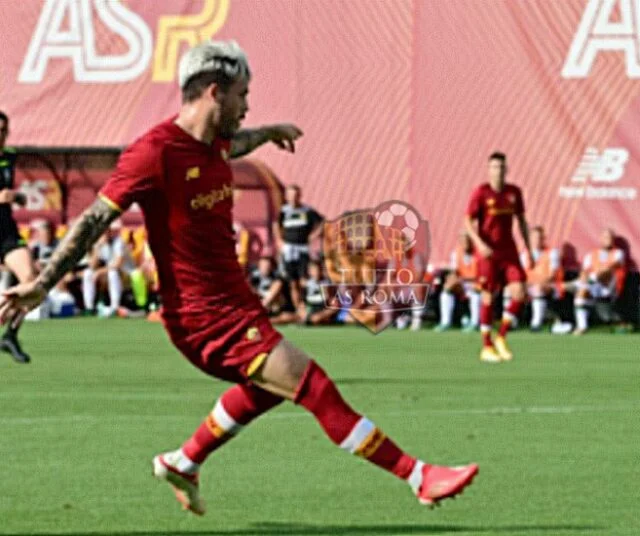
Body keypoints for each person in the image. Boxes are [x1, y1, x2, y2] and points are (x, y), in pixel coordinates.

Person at [0, 40, 477, 513]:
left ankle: (183, 461)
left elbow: (238, 142)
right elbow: (92, 221)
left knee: (266, 390)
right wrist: (42, 282)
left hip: (236, 302)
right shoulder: (153, 153)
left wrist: (268, 132)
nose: (247, 106)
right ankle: (418, 475)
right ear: (214, 92)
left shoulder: (217, 142)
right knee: (311, 384)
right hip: (203, 317)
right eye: (243, 95)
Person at [465, 152, 532, 362]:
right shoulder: (481, 193)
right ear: (489, 169)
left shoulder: (514, 193)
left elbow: (521, 221)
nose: (498, 170)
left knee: (519, 292)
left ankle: (501, 337)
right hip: (488, 254)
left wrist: (529, 249)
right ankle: (486, 346)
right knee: (488, 296)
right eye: (494, 167)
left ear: (506, 169)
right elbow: (468, 221)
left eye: (501, 167)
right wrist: (479, 243)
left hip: (509, 251)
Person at [0, 111, 36, 363]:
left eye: (3, 130)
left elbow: (8, 195)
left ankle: (10, 334)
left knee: (31, 281)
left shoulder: (10, 156)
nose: (0, 135)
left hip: (6, 233)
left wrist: (17, 197)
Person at [274, 185, 323, 317]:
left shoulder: (307, 211)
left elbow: (322, 223)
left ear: (299, 196)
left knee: (304, 280)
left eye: (295, 195)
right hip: (288, 250)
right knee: (293, 282)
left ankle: (309, 306)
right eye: (290, 195)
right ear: (287, 196)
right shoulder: (283, 211)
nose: (293, 198)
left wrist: (313, 236)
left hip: (302, 250)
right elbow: (276, 225)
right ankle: (298, 310)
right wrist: (279, 240)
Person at [573, 228, 625, 336]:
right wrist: (585, 279)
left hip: (609, 287)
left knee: (605, 271)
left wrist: (595, 275)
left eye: (611, 238)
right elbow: (584, 272)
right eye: (606, 237)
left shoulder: (618, 253)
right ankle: (582, 327)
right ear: (601, 239)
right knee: (581, 292)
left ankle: (576, 284)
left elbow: (613, 266)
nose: (608, 240)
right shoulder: (591, 254)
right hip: (594, 286)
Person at [82, 220, 137, 317]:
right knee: (88, 273)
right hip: (110, 275)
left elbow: (117, 264)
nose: (104, 234)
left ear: (110, 232)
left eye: (106, 232)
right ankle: (89, 308)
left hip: (127, 274)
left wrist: (99, 272)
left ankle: (115, 307)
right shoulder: (100, 244)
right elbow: (92, 266)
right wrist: (98, 247)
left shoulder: (119, 242)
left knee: (113, 272)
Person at [521, 226, 565, 332]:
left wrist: (535, 283)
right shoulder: (524, 254)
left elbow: (552, 275)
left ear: (543, 239)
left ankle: (536, 323)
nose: (537, 241)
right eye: (534, 238)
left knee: (538, 288)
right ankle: (511, 322)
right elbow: (521, 275)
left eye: (539, 238)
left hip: (551, 286)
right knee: (510, 290)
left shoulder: (552, 253)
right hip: (529, 285)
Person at [434, 231, 480, 332]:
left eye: (467, 241)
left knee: (475, 293)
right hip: (463, 283)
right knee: (446, 290)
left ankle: (474, 323)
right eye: (462, 241)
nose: (465, 244)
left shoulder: (479, 253)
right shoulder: (456, 254)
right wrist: (452, 281)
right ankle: (445, 322)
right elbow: (454, 272)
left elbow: (482, 274)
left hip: (477, 283)